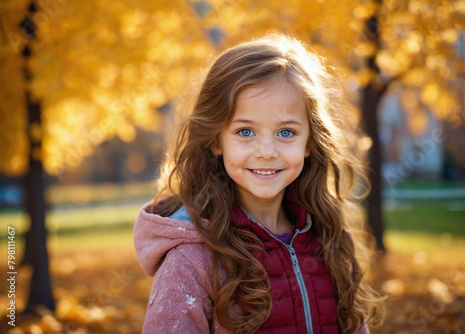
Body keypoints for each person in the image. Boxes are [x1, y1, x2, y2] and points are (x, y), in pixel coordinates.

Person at [134, 34, 383, 334]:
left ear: (309, 142)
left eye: (287, 133)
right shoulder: (191, 261)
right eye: (245, 132)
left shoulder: (326, 238)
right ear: (216, 139)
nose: (266, 151)